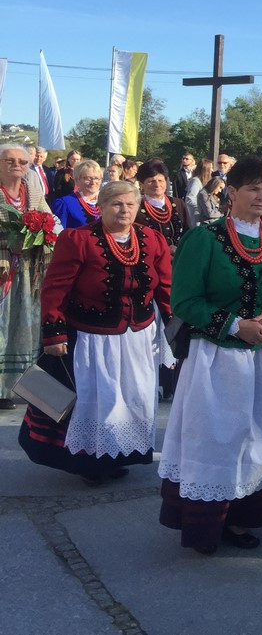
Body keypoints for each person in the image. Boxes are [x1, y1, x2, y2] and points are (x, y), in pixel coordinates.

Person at [157, 156, 262, 555]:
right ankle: (207, 525)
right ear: (232, 192)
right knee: (217, 441)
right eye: (253, 188)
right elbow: (184, 301)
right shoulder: (203, 239)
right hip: (217, 360)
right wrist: (237, 325)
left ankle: (243, 517)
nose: (261, 196)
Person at [20, 179, 172, 484]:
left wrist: (173, 326)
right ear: (100, 207)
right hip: (92, 338)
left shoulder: (152, 239)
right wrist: (54, 334)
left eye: (130, 204)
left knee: (132, 398)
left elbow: (165, 286)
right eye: (116, 204)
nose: (124, 210)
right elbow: (55, 288)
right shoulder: (79, 239)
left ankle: (120, 454)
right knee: (99, 401)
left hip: (138, 337)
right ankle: (91, 463)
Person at [0, 145, 54, 410]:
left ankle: (18, 386)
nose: (17, 165)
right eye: (9, 160)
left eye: (22, 161)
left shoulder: (32, 191)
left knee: (23, 328)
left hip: (28, 270)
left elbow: (50, 222)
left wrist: (40, 236)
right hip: (4, 270)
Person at [134, 158, 191, 400]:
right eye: (150, 181)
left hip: (176, 271)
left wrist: (180, 249)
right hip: (148, 272)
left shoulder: (177, 204)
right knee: (153, 326)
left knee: (173, 321)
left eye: (160, 180)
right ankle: (151, 379)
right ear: (141, 184)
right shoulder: (137, 206)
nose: (156, 185)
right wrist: (161, 251)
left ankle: (170, 381)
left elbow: (189, 233)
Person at [52, 160, 103, 228]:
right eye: (88, 178)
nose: (93, 182)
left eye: (96, 178)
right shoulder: (64, 203)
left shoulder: (106, 201)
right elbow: (58, 232)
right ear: (76, 180)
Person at [182, 158, 215, 226]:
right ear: (205, 169)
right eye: (211, 168)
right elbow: (190, 199)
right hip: (197, 219)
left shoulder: (206, 181)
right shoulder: (196, 181)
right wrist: (201, 209)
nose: (212, 170)